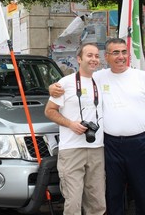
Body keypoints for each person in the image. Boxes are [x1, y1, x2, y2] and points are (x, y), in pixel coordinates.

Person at [50, 38, 145, 215]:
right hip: (109, 145)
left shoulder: (141, 77)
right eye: (115, 53)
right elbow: (74, 81)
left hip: (139, 144)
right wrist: (53, 88)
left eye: (124, 52)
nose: (121, 56)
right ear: (107, 57)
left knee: (141, 191)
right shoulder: (98, 77)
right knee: (111, 193)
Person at [45, 43, 106, 215]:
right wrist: (71, 124)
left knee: (97, 202)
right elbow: (49, 111)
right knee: (73, 202)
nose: (94, 59)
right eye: (89, 55)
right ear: (79, 59)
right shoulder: (65, 83)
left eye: (96, 56)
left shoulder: (101, 80)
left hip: (96, 149)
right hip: (71, 150)